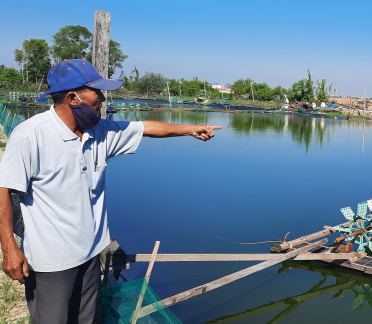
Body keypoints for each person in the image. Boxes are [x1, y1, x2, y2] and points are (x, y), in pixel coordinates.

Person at [0, 59, 222, 324]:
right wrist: (9, 249)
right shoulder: (30, 136)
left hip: (91, 252)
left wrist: (189, 129)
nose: (103, 99)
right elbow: (4, 190)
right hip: (52, 261)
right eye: (97, 92)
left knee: (86, 319)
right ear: (73, 97)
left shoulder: (99, 131)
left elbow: (146, 128)